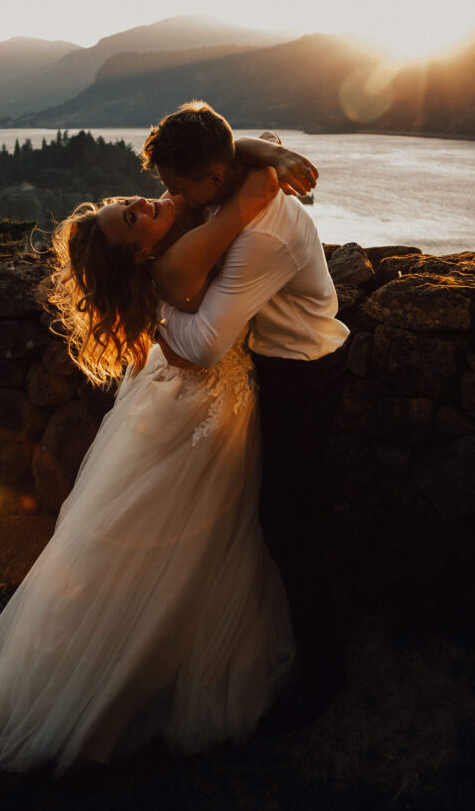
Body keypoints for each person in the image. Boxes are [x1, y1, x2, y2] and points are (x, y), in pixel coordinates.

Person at [0, 134, 315, 776]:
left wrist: (262, 150)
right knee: (173, 557)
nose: (142, 201)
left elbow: (224, 154)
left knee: (163, 554)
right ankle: (108, 709)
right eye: (131, 217)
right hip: (202, 409)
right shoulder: (177, 263)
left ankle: (109, 681)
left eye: (124, 201)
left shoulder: (171, 223)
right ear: (141, 254)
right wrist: (254, 189)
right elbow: (204, 340)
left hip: (178, 403)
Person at [141, 101, 350, 714]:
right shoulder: (232, 183)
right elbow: (256, 141)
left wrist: (143, 306)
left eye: (177, 188)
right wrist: (272, 152)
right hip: (274, 364)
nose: (171, 198)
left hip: (303, 373)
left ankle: (323, 673)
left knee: (288, 523)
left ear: (211, 178)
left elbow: (204, 344)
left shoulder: (261, 235)